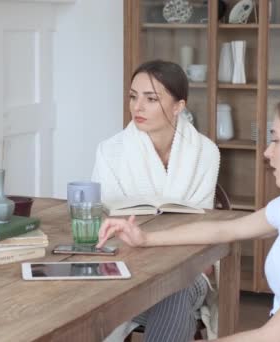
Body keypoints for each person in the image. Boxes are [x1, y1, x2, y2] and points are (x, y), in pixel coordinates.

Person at [97, 87, 280, 342]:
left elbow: (273, 336)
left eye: (276, 140)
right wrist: (145, 238)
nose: (267, 152)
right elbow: (223, 230)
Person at [92, 60, 220, 342]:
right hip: (127, 272)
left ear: (178, 106)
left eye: (151, 99)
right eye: (133, 96)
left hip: (188, 271)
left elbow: (205, 230)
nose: (137, 107)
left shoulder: (205, 152)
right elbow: (103, 223)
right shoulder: (110, 151)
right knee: (171, 299)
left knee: (175, 288)